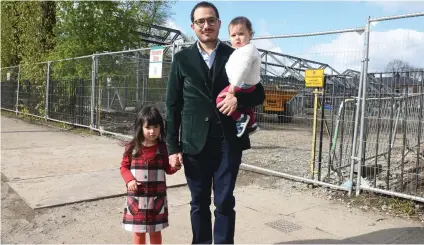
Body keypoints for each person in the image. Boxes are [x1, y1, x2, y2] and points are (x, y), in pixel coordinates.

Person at [165, 1, 265, 244]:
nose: (206, 25)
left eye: (211, 20)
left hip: (227, 142)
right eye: (201, 21)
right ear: (193, 26)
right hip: (194, 142)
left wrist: (238, 101)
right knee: (198, 202)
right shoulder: (181, 59)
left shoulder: (236, 54)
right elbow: (172, 105)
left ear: (219, 23)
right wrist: (172, 148)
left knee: (224, 201)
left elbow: (259, 94)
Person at [120, 106, 181, 244]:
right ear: (140, 127)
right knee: (138, 232)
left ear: (161, 127)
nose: (152, 131)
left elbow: (168, 169)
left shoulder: (163, 148)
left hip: (156, 201)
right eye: (148, 127)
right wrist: (129, 180)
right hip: (137, 200)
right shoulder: (132, 147)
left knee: (155, 231)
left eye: (156, 127)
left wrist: (175, 166)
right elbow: (124, 167)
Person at [216, 16, 261, 137]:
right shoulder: (240, 50)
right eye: (233, 35)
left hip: (241, 84)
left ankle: (240, 118)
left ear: (250, 34)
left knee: (220, 99)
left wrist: (232, 87)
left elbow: (243, 69)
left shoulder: (247, 51)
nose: (237, 38)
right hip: (246, 84)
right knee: (247, 108)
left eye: (241, 34)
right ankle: (251, 124)